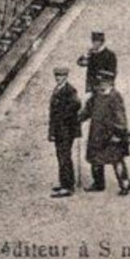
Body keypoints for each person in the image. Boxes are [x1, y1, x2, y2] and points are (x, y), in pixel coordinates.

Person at [79, 69, 130, 194]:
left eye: (105, 82)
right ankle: (98, 183)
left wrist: (119, 134)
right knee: (95, 159)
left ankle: (124, 184)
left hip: (112, 135)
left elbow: (121, 117)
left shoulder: (115, 96)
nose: (102, 84)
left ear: (111, 83)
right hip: (96, 133)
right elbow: (87, 111)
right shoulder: (96, 95)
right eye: (100, 82)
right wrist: (79, 118)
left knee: (117, 160)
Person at [47, 66, 82, 197]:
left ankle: (67, 186)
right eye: (56, 76)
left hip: (66, 130)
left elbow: (77, 105)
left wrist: (64, 117)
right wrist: (51, 131)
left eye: (61, 76)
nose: (58, 78)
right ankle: (65, 183)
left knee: (64, 157)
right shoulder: (58, 89)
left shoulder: (70, 90)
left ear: (66, 77)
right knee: (61, 156)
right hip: (59, 129)